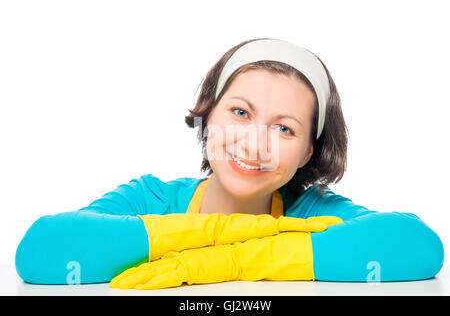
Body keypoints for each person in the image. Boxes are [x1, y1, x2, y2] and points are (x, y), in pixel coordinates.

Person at [15, 38, 444, 287]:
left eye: (285, 129)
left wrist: (235, 261)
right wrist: (227, 231)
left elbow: (420, 247)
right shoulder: (148, 197)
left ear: (308, 152)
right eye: (240, 113)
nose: (255, 145)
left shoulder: (313, 211)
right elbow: (39, 252)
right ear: (208, 116)